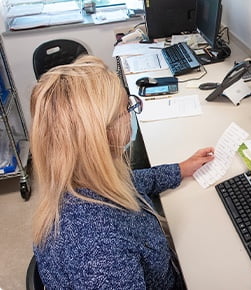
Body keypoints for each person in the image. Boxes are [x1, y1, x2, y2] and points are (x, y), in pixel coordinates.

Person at [30, 55, 214, 289]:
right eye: (127, 108)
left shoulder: (80, 181)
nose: (131, 113)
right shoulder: (100, 252)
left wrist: (180, 169)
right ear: (101, 134)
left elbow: (129, 182)